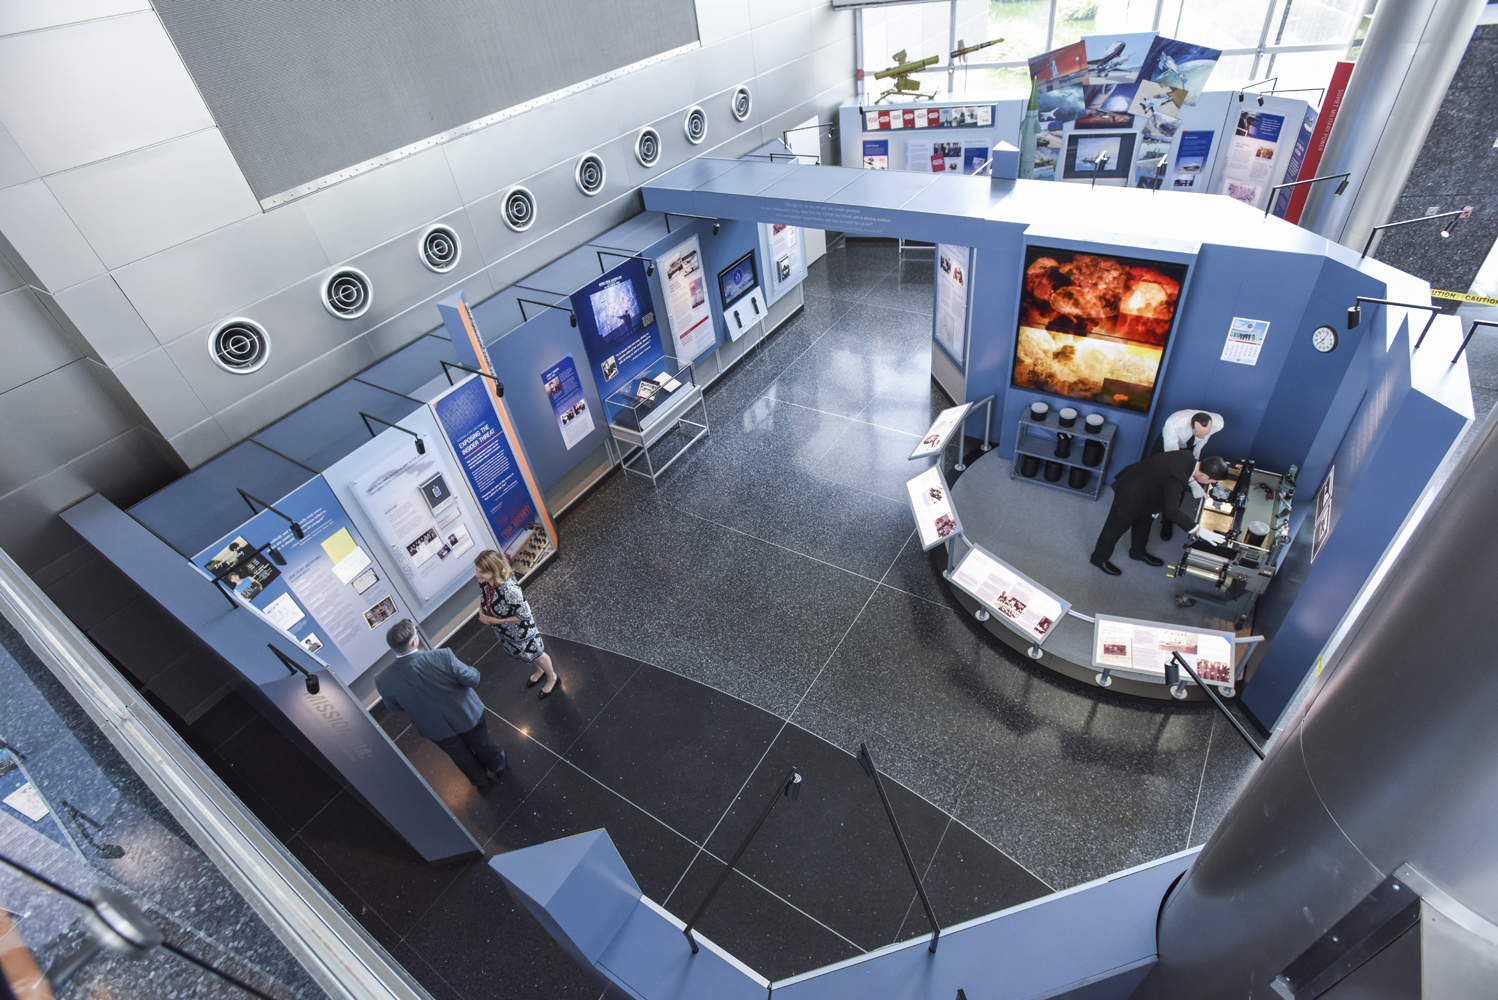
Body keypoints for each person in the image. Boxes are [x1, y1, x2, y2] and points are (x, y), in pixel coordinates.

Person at [376, 619, 505, 788]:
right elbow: (473, 679)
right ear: (415, 641)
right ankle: (498, 765)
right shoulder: (442, 656)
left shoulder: (382, 679)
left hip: (434, 727)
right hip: (465, 713)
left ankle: (480, 780)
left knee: (460, 756)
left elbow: (394, 708)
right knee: (482, 742)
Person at [1090, 451, 1229, 575]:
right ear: (1204, 476)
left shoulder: (1187, 456)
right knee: (1113, 529)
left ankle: (1138, 553)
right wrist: (1198, 530)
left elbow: (1166, 477)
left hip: (1149, 493)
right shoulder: (1178, 478)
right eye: (1212, 481)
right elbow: (1172, 512)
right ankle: (1098, 558)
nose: (1211, 483)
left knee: (1144, 525)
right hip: (1131, 493)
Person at [474, 549, 560, 698]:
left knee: (538, 653)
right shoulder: (485, 582)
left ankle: (552, 677)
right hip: (507, 631)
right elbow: (484, 596)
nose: (477, 575)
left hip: (521, 631)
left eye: (482, 572)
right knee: (530, 655)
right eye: (476, 570)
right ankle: (540, 671)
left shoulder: (509, 589)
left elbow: (524, 615)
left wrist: (497, 620)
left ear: (493, 571)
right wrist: (482, 610)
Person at [1152, 410, 1225, 540]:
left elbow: (1199, 447)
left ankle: (1167, 521)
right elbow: (1174, 462)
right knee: (1158, 481)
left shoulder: (1218, 423)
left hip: (1189, 449)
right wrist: (1193, 483)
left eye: (1205, 434)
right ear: (1191, 426)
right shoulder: (1173, 425)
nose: (1203, 437)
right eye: (1199, 434)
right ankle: (1151, 509)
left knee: (1178, 489)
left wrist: (1194, 466)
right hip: (1169, 448)